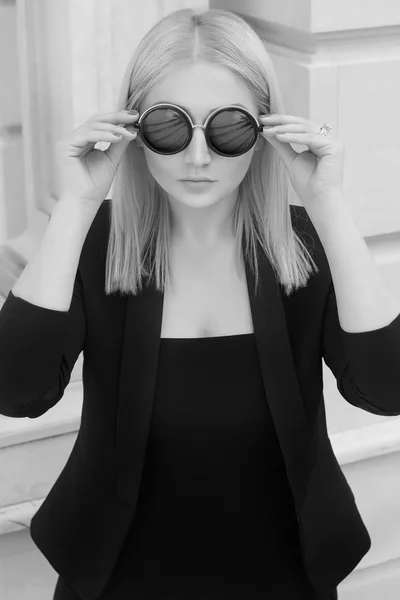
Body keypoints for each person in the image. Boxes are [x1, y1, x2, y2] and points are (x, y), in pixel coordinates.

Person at [0, 7, 399, 600]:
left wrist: (327, 203)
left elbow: (386, 389)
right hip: (118, 579)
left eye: (229, 129)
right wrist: (78, 203)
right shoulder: (95, 243)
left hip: (282, 577)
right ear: (132, 127)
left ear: (266, 129)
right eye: (168, 126)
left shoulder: (301, 246)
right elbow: (17, 390)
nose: (197, 157)